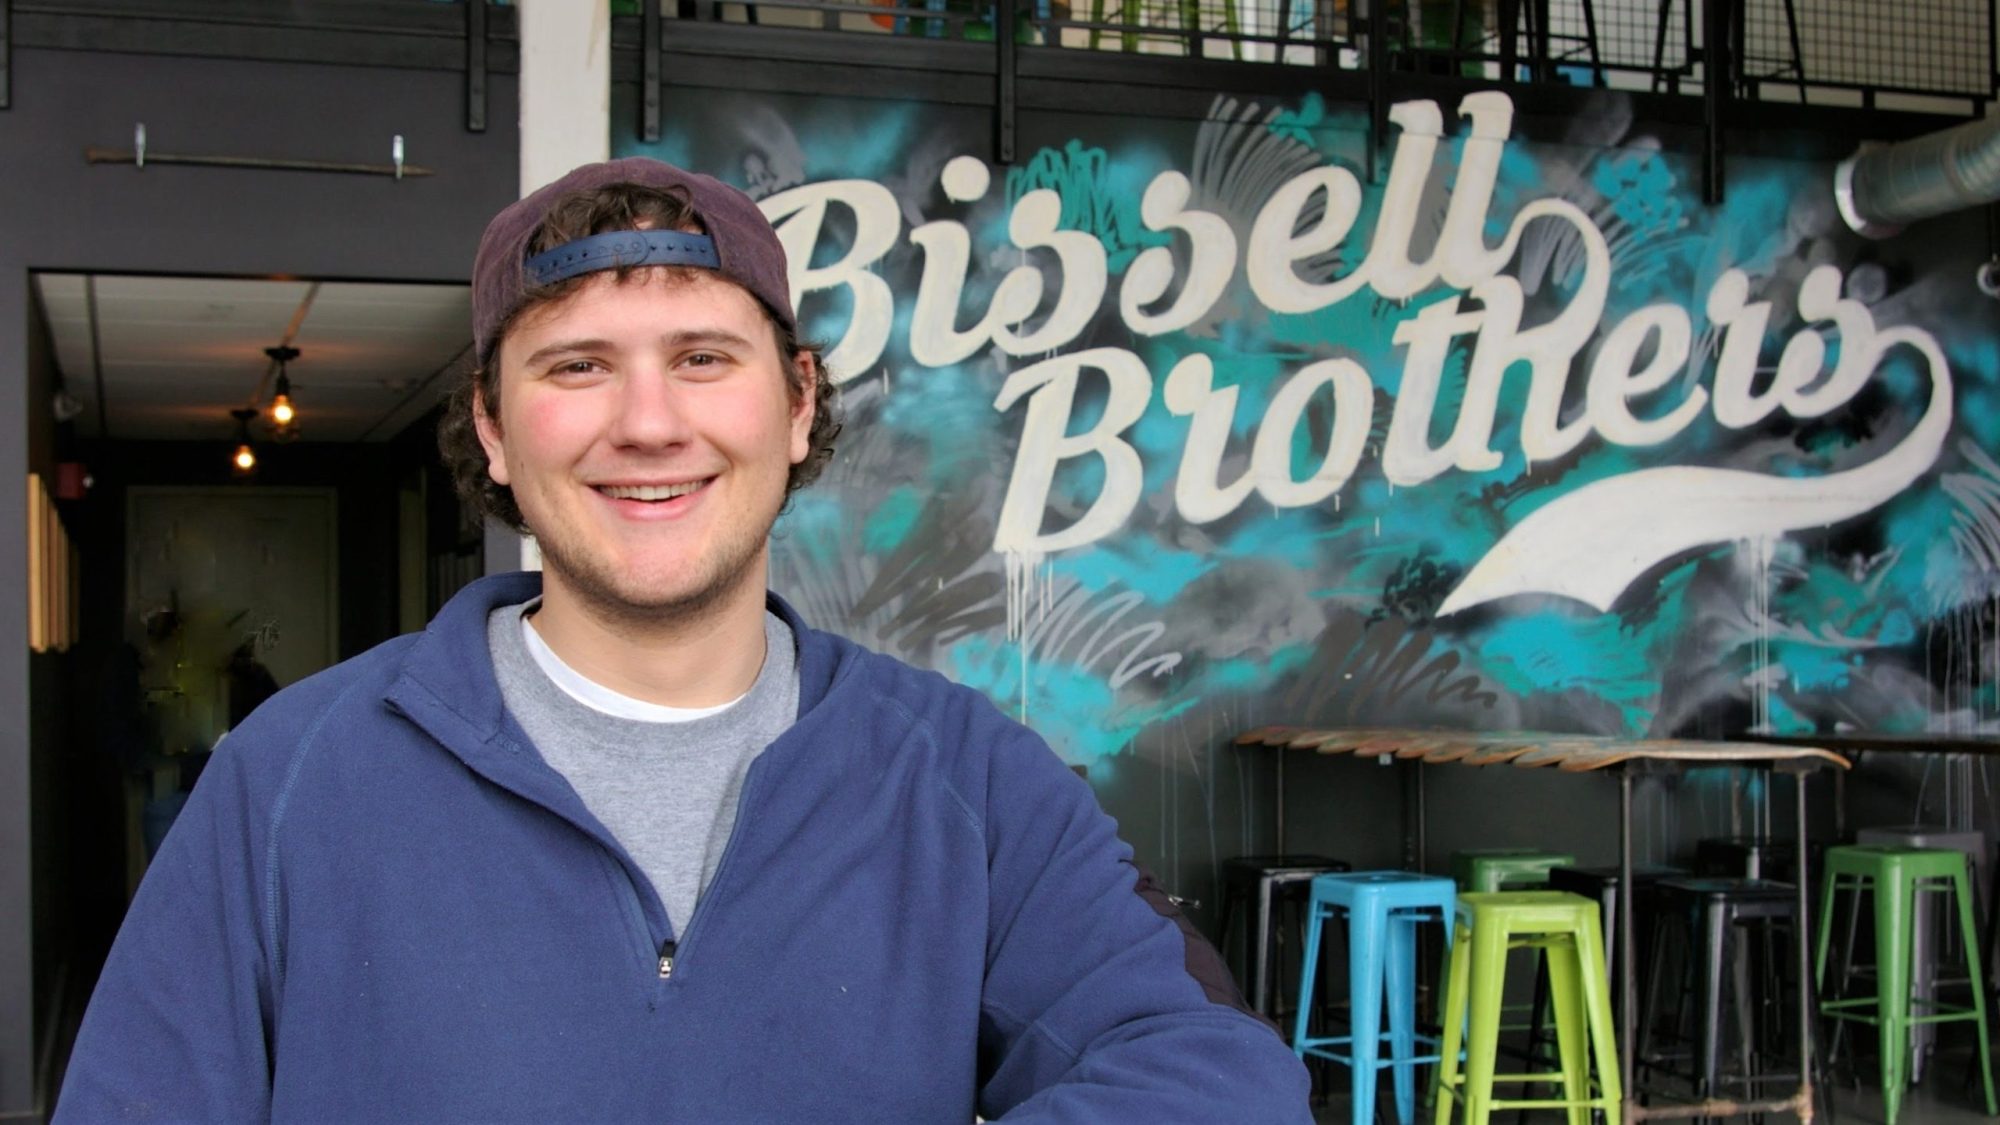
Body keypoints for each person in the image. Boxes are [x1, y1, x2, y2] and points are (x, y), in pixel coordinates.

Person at [56, 157, 1313, 1122]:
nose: (647, 424)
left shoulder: (965, 781)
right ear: (493, 429)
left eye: (703, 357)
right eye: (577, 368)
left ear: (796, 401)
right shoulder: (292, 779)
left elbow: (1207, 1077)